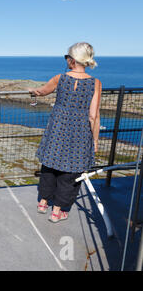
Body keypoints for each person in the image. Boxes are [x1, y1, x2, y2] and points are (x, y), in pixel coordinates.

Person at [29, 42, 102, 223]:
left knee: (49, 166)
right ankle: (57, 211)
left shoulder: (59, 78)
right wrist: (95, 140)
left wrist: (33, 92)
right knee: (71, 173)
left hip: (57, 128)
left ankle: (43, 202)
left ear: (71, 60)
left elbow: (42, 91)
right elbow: (93, 116)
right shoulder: (95, 83)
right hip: (79, 132)